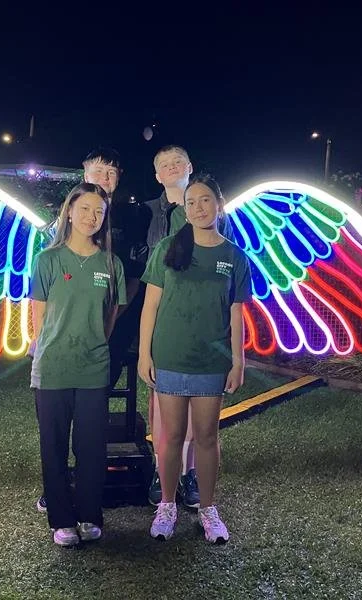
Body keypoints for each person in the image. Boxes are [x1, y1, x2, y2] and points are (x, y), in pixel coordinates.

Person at [138, 173, 251, 544]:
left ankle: (207, 508)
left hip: (210, 362)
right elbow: (150, 306)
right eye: (191, 202)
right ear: (183, 209)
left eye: (205, 200)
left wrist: (238, 361)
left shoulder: (233, 256)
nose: (198, 208)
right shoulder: (167, 248)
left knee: (206, 437)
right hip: (170, 357)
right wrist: (144, 354)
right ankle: (167, 505)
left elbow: (236, 313)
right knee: (170, 437)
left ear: (219, 204)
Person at [35, 148, 149, 515]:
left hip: (108, 330)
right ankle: (56, 492)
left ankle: (90, 494)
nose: (105, 178)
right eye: (98, 171)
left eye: (112, 173)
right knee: (56, 426)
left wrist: (104, 320)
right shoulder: (58, 233)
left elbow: (132, 279)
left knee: (91, 424)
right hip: (61, 342)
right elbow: (42, 299)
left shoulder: (133, 218)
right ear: (84, 175)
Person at [30, 182, 127, 546]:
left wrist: (91, 342)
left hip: (93, 368)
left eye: (99, 211)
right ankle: (62, 520)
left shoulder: (111, 264)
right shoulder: (48, 260)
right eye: (84, 208)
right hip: (53, 368)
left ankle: (89, 515)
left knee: (91, 447)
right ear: (69, 212)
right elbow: (40, 319)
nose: (91, 217)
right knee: (53, 446)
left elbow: (109, 318)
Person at [143, 145, 200, 508]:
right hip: (158, 315)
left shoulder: (207, 207)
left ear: (190, 167)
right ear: (157, 175)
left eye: (178, 161)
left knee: (195, 398)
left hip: (197, 319)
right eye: (165, 164)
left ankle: (190, 472)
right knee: (159, 398)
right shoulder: (146, 212)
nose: (173, 167)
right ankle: (161, 468)